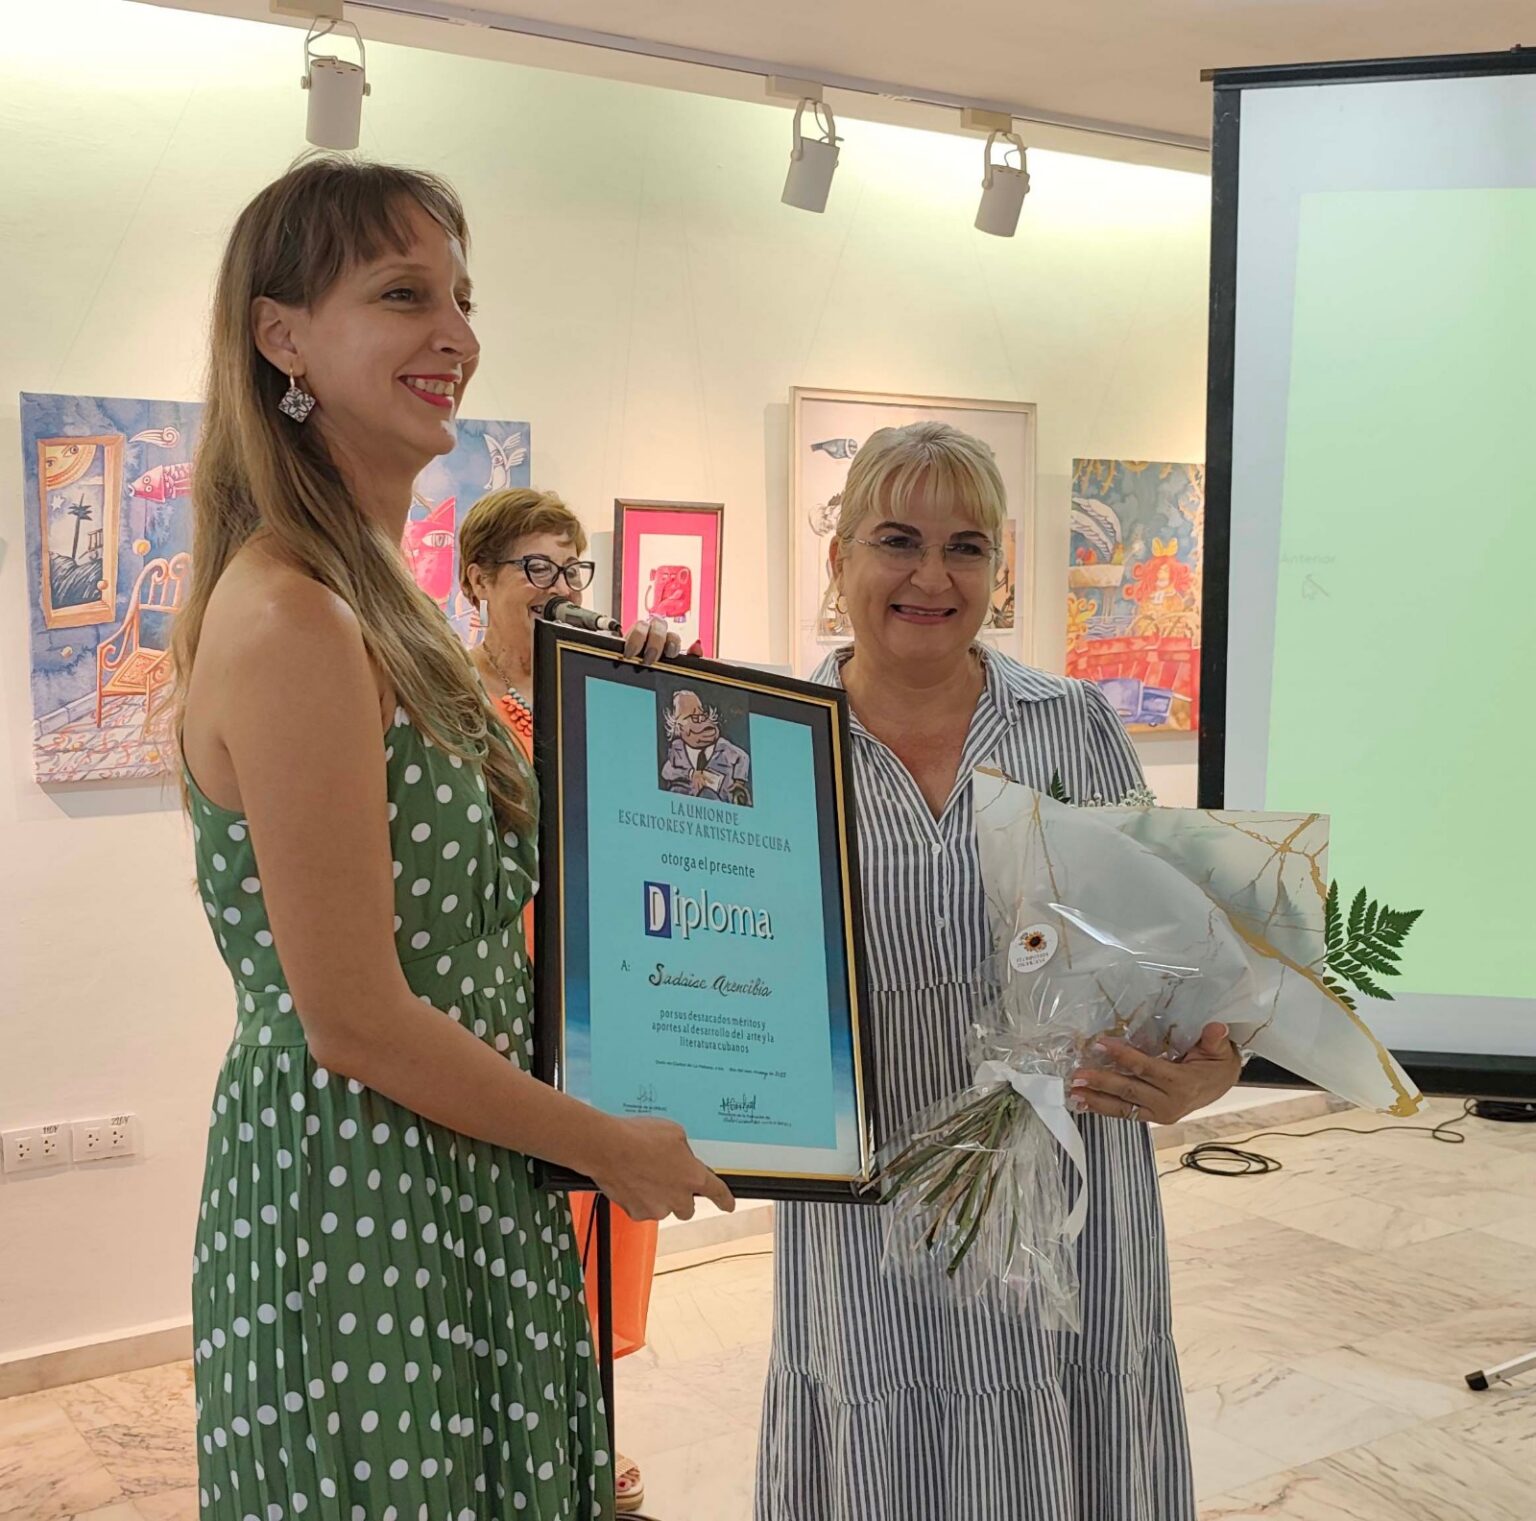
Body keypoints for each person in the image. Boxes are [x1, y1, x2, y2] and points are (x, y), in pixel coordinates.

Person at [173, 155, 731, 1521]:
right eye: (402, 294)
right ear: (282, 335)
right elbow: (356, 1018)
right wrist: (604, 1142)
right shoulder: (296, 615)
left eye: (463, 299)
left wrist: (640, 720)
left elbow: (490, 891)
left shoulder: (382, 605)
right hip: (367, 1186)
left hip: (460, 1161)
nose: (456, 336)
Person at [755, 421, 1241, 1521]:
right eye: (897, 540)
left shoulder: (1073, 728)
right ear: (838, 557)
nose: (932, 577)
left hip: (1069, 1201)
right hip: (868, 1206)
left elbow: (1168, 959)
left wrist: (1204, 1070)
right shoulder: (774, 738)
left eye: (966, 547)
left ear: (999, 570)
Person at [458, 486, 660, 1515]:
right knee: (521, 1212)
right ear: (478, 581)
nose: (558, 587)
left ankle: (592, 1429)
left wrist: (659, 683)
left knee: (604, 1203)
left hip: (604, 970)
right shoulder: (449, 697)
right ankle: (526, 1434)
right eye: (534, 567)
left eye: (571, 567)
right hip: (504, 975)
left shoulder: (601, 680)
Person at [659, 690, 752, 805]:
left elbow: (743, 757)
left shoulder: (723, 747)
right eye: (694, 717)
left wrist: (739, 782)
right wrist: (691, 774)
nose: (701, 720)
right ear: (678, 726)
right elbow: (666, 771)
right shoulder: (678, 749)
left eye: (702, 714)